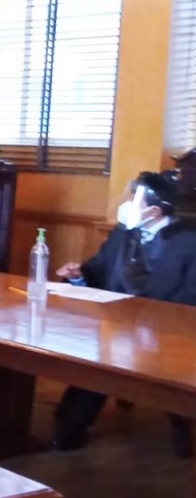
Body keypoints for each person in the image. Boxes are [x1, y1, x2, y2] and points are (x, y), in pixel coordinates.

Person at [52, 171, 196, 452]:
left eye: (135, 200)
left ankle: (73, 424)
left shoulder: (188, 243)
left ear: (154, 211)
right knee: (95, 350)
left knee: (108, 357)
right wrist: (78, 275)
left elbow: (191, 297)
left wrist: (150, 321)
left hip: (163, 332)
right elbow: (97, 269)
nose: (128, 204)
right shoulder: (122, 233)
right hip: (112, 322)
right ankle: (69, 415)